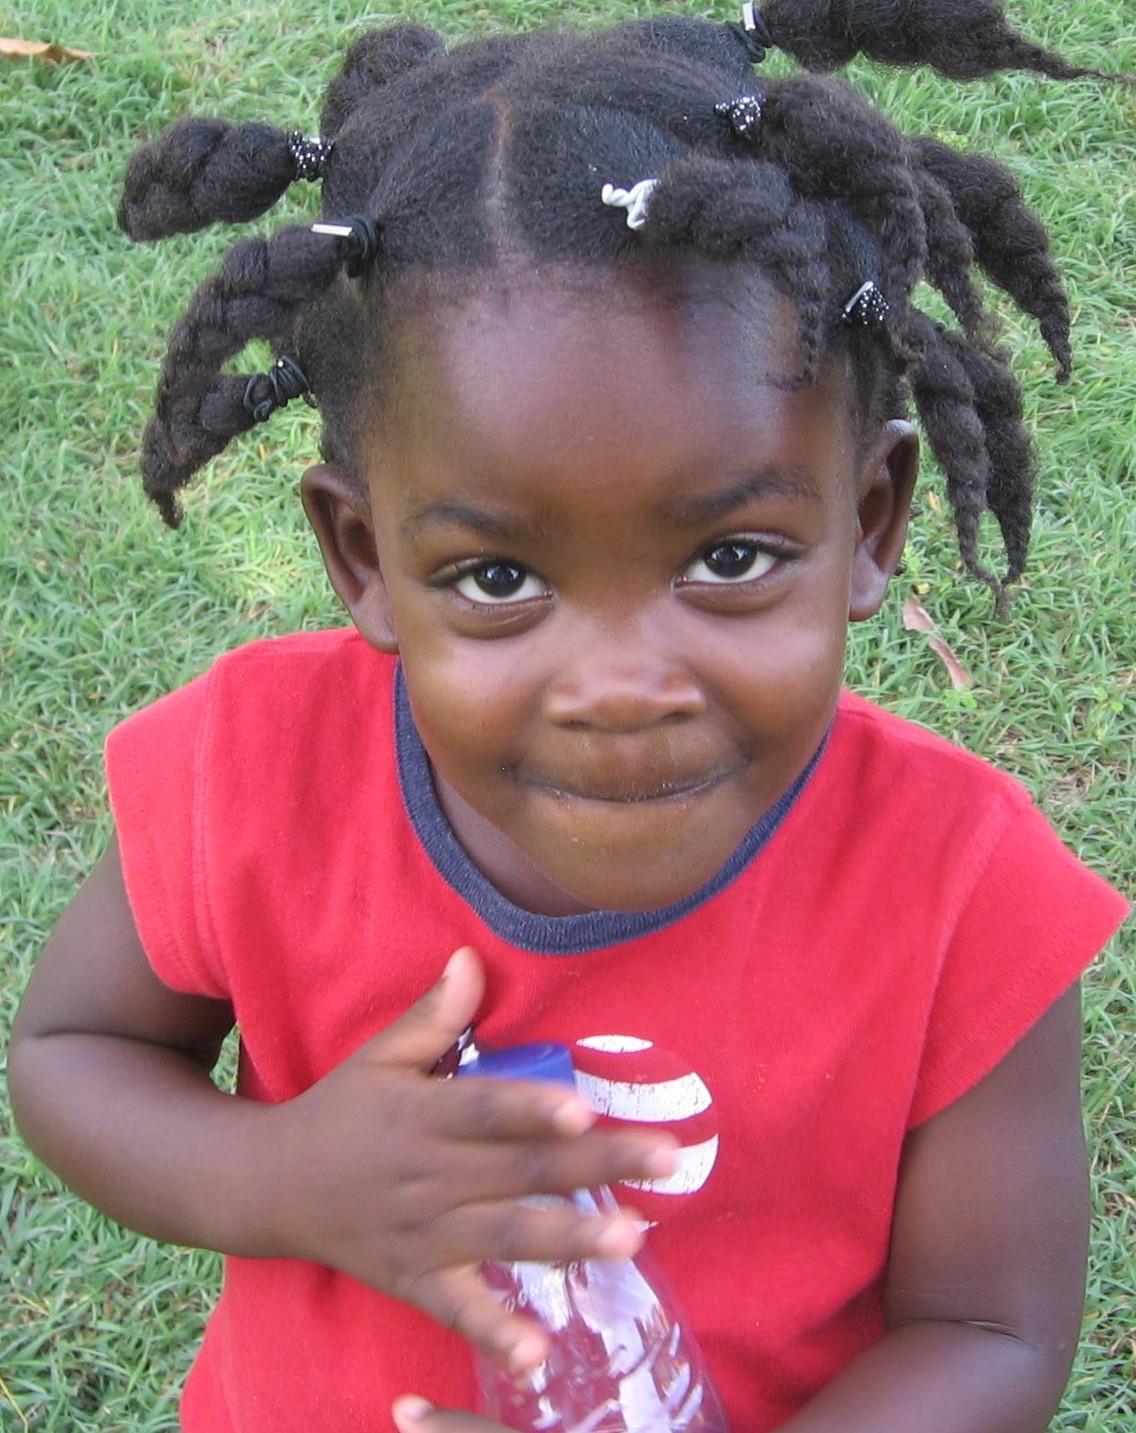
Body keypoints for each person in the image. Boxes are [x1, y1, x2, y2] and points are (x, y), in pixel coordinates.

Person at [8, 2, 1131, 1431]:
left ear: (870, 519)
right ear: (362, 556)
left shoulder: (958, 888)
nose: (618, 685)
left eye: (729, 558)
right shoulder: (253, 774)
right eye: (496, 577)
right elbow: (72, 1057)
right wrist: (290, 1175)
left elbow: (989, 1327)